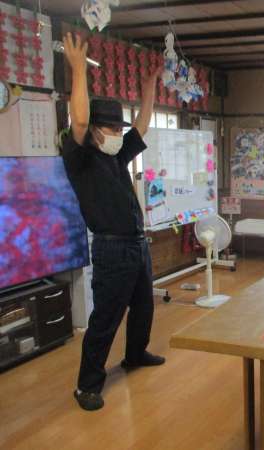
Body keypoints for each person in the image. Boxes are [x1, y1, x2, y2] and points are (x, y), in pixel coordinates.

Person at [60, 33, 164, 411]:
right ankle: (86, 386)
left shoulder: (116, 156)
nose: (119, 135)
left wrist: (149, 90)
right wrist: (77, 69)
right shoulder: (80, 157)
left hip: (137, 244)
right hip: (111, 247)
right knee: (106, 317)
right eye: (113, 130)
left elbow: (142, 126)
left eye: (120, 130)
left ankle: (135, 354)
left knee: (143, 306)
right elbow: (80, 117)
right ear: (94, 131)